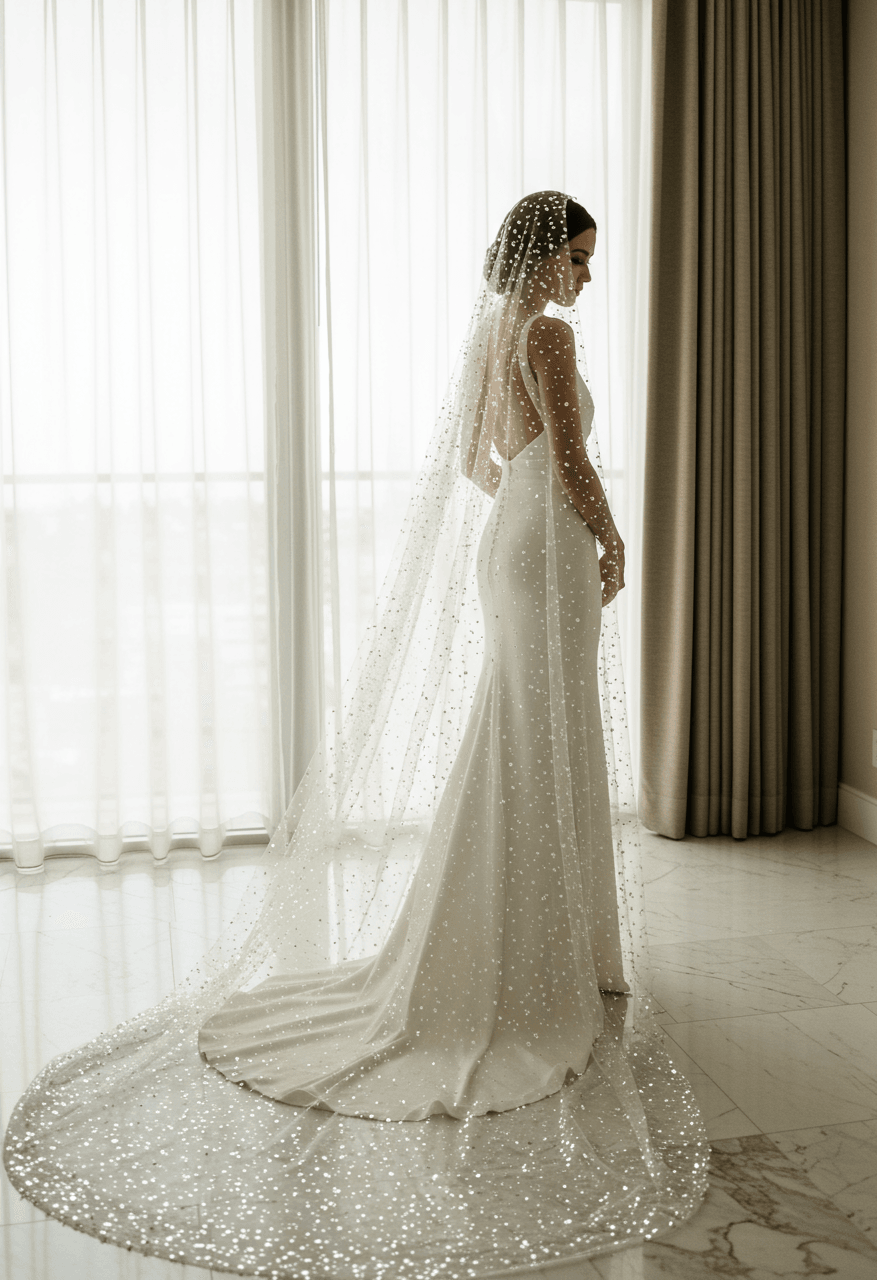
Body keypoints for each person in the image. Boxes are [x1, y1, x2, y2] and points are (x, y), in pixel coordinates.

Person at [4, 192, 707, 1276]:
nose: (582, 277)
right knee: (541, 747)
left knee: (516, 744)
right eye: (577, 255)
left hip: (506, 543)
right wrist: (612, 539)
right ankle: (548, 957)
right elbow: (569, 456)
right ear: (544, 254)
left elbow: (489, 466)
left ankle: (535, 944)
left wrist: (539, 509)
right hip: (549, 545)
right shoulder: (547, 333)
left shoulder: (489, 336)